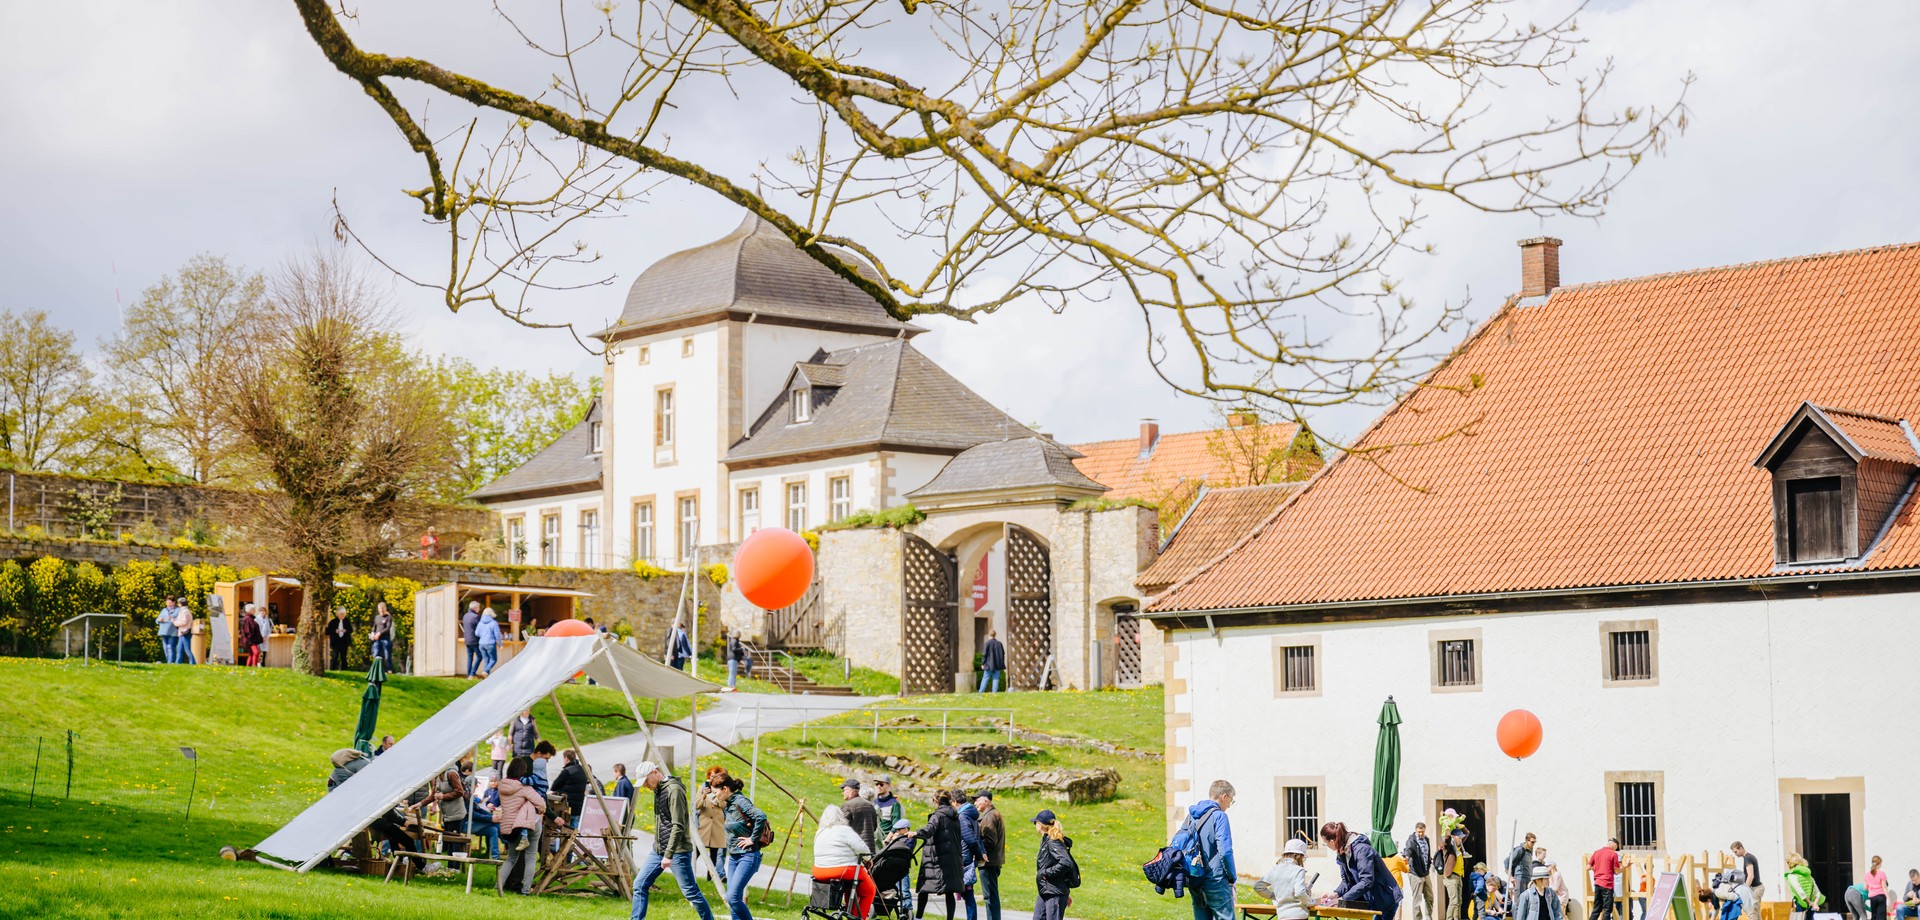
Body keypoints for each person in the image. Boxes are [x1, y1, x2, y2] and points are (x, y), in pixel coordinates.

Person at [630, 761, 715, 920]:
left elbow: (678, 825)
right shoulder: (659, 789)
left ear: (655, 772)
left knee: (690, 892)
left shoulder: (673, 790)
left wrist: (668, 854)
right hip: (658, 850)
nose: (646, 785)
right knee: (639, 885)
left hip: (677, 851)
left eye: (647, 781)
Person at [1322, 821, 1402, 920]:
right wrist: (1336, 894)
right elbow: (1346, 881)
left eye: (1325, 844)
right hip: (1369, 900)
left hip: (1385, 898)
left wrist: (1342, 899)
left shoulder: (1362, 850)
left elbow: (1366, 881)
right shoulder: (1342, 853)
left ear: (1332, 842)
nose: (1327, 846)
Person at [1183, 780, 1238, 920]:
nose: (1229, 806)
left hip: (1195, 878)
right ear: (1224, 797)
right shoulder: (1219, 816)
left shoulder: (1192, 816)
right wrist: (1232, 876)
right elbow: (1225, 851)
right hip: (1216, 879)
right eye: (1230, 801)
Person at [916, 789, 973, 920]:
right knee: (949, 892)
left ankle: (918, 918)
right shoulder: (955, 816)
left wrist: (917, 833)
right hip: (952, 859)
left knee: (924, 889)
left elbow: (930, 829)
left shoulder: (938, 815)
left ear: (936, 801)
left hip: (936, 859)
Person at [813, 804, 877, 919]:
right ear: (841, 817)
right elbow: (863, 849)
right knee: (869, 890)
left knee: (849, 886)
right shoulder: (844, 830)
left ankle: (851, 912)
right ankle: (858, 916)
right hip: (843, 870)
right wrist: (868, 860)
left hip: (819, 871)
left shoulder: (820, 832)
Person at [721, 777, 770, 920]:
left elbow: (760, 816)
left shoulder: (740, 801)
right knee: (733, 899)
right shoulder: (728, 804)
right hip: (734, 857)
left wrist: (752, 839)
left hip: (747, 856)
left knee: (733, 897)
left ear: (725, 789)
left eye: (715, 792)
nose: (714, 794)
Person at [496, 757, 546, 895]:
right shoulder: (524, 788)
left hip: (510, 826)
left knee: (511, 858)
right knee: (530, 857)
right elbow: (541, 803)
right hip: (530, 824)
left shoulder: (501, 785)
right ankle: (525, 890)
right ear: (523, 771)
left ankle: (498, 885)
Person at [1031, 810, 1076, 920]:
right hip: (1048, 890)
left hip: (1054, 892)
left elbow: (1066, 863)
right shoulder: (1047, 839)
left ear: (1040, 825)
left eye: (1035, 823)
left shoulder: (1053, 841)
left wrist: (1046, 873)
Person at [1257, 838, 1317, 920]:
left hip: (1282, 915)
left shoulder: (1275, 869)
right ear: (1299, 856)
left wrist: (1275, 896)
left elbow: (1258, 887)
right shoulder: (1298, 870)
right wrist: (1311, 902)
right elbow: (1300, 892)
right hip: (1298, 915)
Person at [974, 792, 1005, 920]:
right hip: (993, 861)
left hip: (988, 862)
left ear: (987, 801)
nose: (975, 803)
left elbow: (990, 840)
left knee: (990, 897)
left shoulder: (989, 816)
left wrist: (979, 852)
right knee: (991, 896)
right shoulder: (992, 814)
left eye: (977, 800)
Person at [698, 768, 732, 885]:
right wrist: (703, 795)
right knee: (696, 851)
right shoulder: (703, 787)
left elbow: (724, 806)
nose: (712, 778)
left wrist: (717, 797)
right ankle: (688, 873)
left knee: (715, 855)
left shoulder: (724, 790)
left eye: (715, 776)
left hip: (717, 825)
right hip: (704, 825)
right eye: (711, 776)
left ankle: (710, 878)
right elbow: (696, 804)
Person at [551, 749, 591, 829]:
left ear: (566, 758)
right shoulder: (583, 770)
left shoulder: (567, 771)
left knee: (563, 831)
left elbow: (554, 786)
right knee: (574, 831)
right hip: (579, 806)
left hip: (567, 806)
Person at [1406, 822, 1435, 920]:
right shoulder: (1412, 840)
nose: (1420, 834)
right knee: (1417, 899)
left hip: (1425, 872)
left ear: (1424, 830)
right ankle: (1417, 919)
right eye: (1419, 832)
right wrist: (1406, 856)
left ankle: (1428, 917)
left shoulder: (1426, 839)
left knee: (1429, 897)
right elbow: (1408, 850)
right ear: (1415, 830)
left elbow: (1425, 854)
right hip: (1415, 873)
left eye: (1422, 832)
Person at [841, 779, 879, 852]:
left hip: (854, 849)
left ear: (851, 791)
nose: (842, 792)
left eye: (844, 790)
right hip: (869, 849)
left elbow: (842, 828)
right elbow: (874, 827)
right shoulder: (870, 805)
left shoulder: (847, 805)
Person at [470, 772, 502, 859]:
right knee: (494, 825)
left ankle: (495, 856)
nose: (493, 783)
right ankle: (507, 842)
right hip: (470, 823)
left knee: (493, 829)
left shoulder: (499, 792)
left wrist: (491, 817)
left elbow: (479, 809)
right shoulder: (469, 797)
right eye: (491, 781)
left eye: (495, 781)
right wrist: (490, 817)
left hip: (492, 813)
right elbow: (475, 813)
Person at [1443, 827, 1473, 920]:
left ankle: (1457, 918)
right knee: (1454, 901)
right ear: (1453, 837)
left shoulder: (1460, 847)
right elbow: (1446, 840)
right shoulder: (1449, 847)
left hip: (1459, 876)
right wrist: (1448, 829)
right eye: (1458, 837)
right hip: (1451, 876)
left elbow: (1467, 832)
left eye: (1461, 838)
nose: (1460, 839)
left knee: (1459, 901)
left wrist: (1460, 826)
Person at [1591, 838, 1623, 920]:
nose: (1615, 849)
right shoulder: (1613, 854)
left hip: (1597, 883)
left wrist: (1597, 869)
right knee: (1607, 910)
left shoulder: (1596, 852)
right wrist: (1625, 867)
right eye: (1616, 848)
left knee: (1596, 909)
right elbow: (1616, 871)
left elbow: (1588, 867)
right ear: (1615, 845)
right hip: (1607, 884)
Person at [1785, 853, 1824, 920]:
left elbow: (1800, 891)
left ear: (1790, 863)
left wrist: (1810, 903)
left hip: (1801, 904)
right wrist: (1814, 904)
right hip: (1811, 905)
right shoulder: (1808, 875)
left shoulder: (1791, 875)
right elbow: (1817, 892)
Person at [1731, 842, 1763, 920]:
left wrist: (1744, 890)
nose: (1735, 854)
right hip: (1756, 888)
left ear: (1741, 848)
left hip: (1755, 889)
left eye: (1736, 851)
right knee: (1756, 913)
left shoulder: (1748, 858)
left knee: (1752, 913)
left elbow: (1751, 876)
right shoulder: (1748, 857)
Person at [476, 609, 502, 677]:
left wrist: (483, 635)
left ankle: (487, 676)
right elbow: (497, 635)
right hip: (490, 644)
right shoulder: (494, 623)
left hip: (481, 644)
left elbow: (476, 633)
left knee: (486, 660)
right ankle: (486, 671)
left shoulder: (480, 622)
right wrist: (500, 644)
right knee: (493, 659)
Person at [157, 597, 182, 664]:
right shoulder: (164, 610)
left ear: (174, 602)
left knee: (170, 647)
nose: (168, 604)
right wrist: (159, 620)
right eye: (167, 603)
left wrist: (172, 618)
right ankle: (169, 661)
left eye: (170, 603)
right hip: (163, 631)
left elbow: (180, 620)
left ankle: (170, 662)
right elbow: (157, 620)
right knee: (165, 648)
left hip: (173, 631)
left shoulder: (178, 610)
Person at [462, 600, 483, 678]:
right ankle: (472, 673)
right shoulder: (475, 617)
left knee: (470, 657)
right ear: (476, 608)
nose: (479, 609)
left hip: (467, 640)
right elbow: (480, 628)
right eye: (478, 608)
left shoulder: (465, 616)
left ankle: (469, 674)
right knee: (480, 656)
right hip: (474, 640)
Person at [370, 602, 394, 669]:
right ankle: (377, 669)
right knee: (376, 654)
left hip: (385, 639)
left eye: (382, 609)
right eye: (380, 609)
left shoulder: (388, 617)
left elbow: (387, 628)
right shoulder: (377, 617)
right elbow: (374, 627)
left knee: (387, 656)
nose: (381, 611)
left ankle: (389, 669)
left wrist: (379, 633)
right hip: (377, 639)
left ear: (385, 608)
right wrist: (372, 633)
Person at [172, 601, 197, 665]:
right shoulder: (184, 610)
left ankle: (193, 662)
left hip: (185, 632)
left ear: (180, 603)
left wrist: (174, 622)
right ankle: (177, 662)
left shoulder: (184, 611)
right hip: (182, 632)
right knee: (179, 648)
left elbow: (183, 622)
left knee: (187, 649)